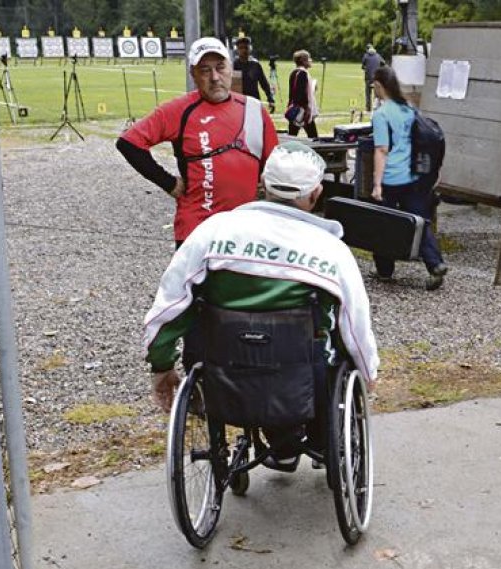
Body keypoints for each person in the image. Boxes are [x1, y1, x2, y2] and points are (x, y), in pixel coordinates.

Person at [145, 142, 379, 471]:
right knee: (330, 352)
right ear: (316, 193)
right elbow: (355, 324)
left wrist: (161, 364)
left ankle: (281, 443)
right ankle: (316, 440)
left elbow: (169, 307)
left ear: (263, 184)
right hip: (303, 374)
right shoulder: (330, 249)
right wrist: (368, 371)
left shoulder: (212, 231)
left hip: (224, 367)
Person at [117, 37, 278, 245]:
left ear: (231, 68)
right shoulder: (179, 110)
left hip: (244, 231)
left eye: (220, 67)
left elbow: (274, 167)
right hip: (197, 232)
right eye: (205, 70)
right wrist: (168, 182)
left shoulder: (254, 109)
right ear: (193, 74)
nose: (215, 77)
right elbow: (129, 143)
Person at [368, 65, 449, 291]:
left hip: (391, 176)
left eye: (374, 85)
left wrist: (377, 184)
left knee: (384, 222)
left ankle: (385, 270)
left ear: (380, 85)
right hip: (413, 175)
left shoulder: (381, 114)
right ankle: (435, 264)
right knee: (418, 221)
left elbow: (382, 150)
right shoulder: (408, 109)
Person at [233, 36, 275, 113]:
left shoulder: (255, 65)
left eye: (246, 47)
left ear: (250, 48)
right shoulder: (233, 65)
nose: (244, 50)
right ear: (237, 50)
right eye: (241, 48)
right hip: (238, 103)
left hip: (254, 101)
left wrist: (270, 98)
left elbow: (264, 83)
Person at [285, 49, 320, 138]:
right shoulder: (302, 73)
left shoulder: (294, 72)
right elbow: (301, 92)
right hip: (302, 110)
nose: (310, 61)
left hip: (295, 108)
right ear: (303, 61)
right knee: (313, 137)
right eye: (308, 59)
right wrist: (306, 108)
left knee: (292, 134)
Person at [361, 44, 385, 112]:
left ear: (367, 50)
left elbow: (363, 66)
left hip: (368, 78)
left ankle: (368, 109)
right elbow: (383, 63)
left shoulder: (366, 56)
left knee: (368, 94)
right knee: (376, 94)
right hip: (377, 78)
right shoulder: (378, 55)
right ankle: (376, 108)